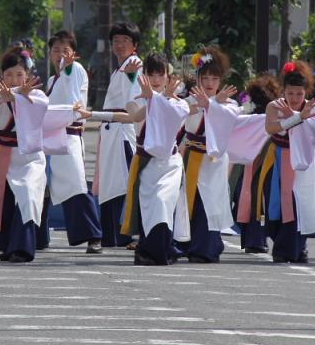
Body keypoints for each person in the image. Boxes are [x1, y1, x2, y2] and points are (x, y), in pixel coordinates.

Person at [80, 54, 189, 265]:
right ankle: (149, 250)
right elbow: (136, 116)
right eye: (151, 74)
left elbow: (174, 116)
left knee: (163, 204)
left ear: (168, 77)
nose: (156, 79)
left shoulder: (180, 104)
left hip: (170, 163)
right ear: (144, 75)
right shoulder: (136, 99)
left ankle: (161, 249)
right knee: (150, 208)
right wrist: (94, 115)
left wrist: (161, 98)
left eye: (160, 74)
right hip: (146, 163)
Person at [0, 47, 49, 263]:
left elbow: (41, 107)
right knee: (2, 200)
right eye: (8, 75)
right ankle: (5, 245)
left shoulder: (38, 96)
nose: (14, 79)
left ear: (27, 76)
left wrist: (17, 97)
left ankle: (23, 248)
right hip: (3, 155)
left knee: (26, 195)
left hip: (29, 157)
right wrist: (8, 95)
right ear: (1, 76)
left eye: (19, 75)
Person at [264, 62, 315, 263]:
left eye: (299, 94)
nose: (294, 98)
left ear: (306, 92)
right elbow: (271, 129)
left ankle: (292, 249)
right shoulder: (274, 106)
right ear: (283, 91)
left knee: (300, 204)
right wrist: (297, 117)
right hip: (277, 159)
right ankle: (288, 246)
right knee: (276, 205)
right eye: (290, 93)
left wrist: (300, 117)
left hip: (302, 163)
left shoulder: (313, 109)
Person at [180, 46, 239, 263]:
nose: (209, 82)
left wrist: (212, 105)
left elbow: (232, 118)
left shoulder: (229, 103)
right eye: (205, 77)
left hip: (213, 160)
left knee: (211, 202)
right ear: (197, 78)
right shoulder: (188, 101)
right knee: (190, 202)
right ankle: (188, 244)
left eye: (214, 77)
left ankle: (207, 247)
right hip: (192, 156)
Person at [45, 31, 103, 253]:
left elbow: (73, 100)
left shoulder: (74, 70)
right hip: (51, 136)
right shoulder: (52, 79)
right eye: (56, 50)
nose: (60, 55)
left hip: (68, 134)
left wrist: (68, 68)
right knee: (49, 186)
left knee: (76, 184)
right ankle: (39, 236)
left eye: (65, 51)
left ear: (74, 55)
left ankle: (93, 235)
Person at [93, 21, 143, 249]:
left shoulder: (134, 66)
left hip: (123, 130)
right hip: (112, 130)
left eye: (125, 41)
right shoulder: (120, 68)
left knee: (122, 183)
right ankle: (113, 233)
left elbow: (134, 98)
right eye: (116, 41)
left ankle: (123, 232)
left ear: (135, 45)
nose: (119, 45)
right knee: (111, 184)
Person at [231, 74, 279, 254]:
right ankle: (259, 238)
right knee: (263, 197)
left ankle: (253, 239)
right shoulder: (272, 115)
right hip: (269, 159)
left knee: (248, 197)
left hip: (247, 162)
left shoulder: (247, 116)